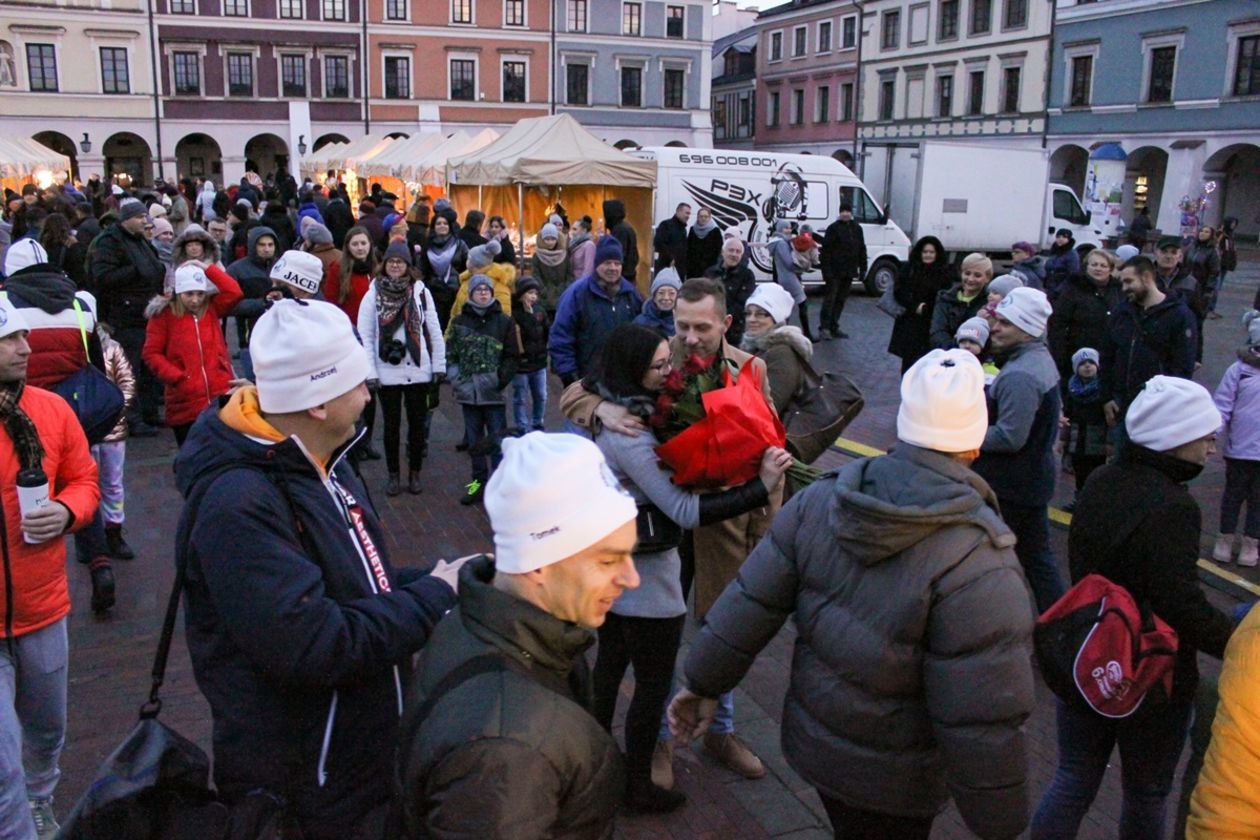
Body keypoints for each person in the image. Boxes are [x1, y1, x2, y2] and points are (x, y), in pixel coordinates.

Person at [669, 348, 1036, 839]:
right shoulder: (981, 558)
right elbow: (983, 714)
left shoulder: (823, 498)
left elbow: (751, 602)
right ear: (973, 444)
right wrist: (1001, 823)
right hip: (902, 778)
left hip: (818, 745)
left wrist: (702, 682)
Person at [174, 298, 462, 839]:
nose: (369, 389)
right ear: (316, 403)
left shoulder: (325, 460)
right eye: (356, 380)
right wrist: (431, 599)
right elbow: (315, 643)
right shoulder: (238, 503)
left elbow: (359, 587)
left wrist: (440, 578)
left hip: (354, 764)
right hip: (309, 788)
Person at [561, 277, 779, 786]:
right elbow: (575, 391)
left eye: (702, 327)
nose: (691, 336)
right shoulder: (658, 356)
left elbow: (768, 446)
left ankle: (721, 731)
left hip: (722, 526)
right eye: (682, 324)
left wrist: (763, 526)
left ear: (726, 323)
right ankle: (657, 742)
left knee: (721, 633)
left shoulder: (751, 368)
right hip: (659, 533)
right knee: (652, 641)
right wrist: (601, 408)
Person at [396, 432, 637, 838]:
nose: (632, 578)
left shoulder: (479, 619)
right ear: (537, 565)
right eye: (608, 560)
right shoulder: (505, 752)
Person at [1031, 375, 1235, 838]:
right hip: (1150, 677)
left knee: (1073, 777)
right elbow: (1180, 602)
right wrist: (1237, 641)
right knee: (1146, 794)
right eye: (1204, 435)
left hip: (1088, 656)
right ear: (1174, 439)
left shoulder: (1102, 479)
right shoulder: (1174, 507)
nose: (1211, 446)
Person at [0, 296, 101, 840]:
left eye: (22, 336)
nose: (25, 346)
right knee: (2, 761)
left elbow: (84, 480)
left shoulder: (51, 409)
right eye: (10, 340)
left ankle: (40, 800)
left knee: (45, 732)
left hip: (42, 606)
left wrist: (67, 511)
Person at [971, 287, 1064, 613]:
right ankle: (1060, 623)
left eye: (1006, 324)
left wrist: (963, 435)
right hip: (1029, 481)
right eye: (997, 320)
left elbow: (1010, 437)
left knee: (998, 560)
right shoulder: (1034, 360)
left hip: (1011, 487)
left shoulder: (1020, 375)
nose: (995, 328)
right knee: (1038, 559)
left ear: (1028, 330)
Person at [357, 240, 445, 497]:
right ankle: (393, 475)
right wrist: (370, 372)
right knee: (391, 427)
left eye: (401, 262)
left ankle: (414, 473)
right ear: (384, 265)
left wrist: (438, 366)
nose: (396, 266)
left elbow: (434, 331)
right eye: (392, 261)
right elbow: (366, 335)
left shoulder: (420, 292)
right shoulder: (372, 293)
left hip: (419, 369)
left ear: (408, 265)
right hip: (387, 371)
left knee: (417, 426)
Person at [142, 262, 244, 447]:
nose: (195, 300)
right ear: (178, 293)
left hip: (218, 394)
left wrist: (205, 267)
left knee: (221, 453)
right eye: (189, 294)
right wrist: (178, 377)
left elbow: (234, 291)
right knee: (191, 454)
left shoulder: (211, 308)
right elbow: (152, 353)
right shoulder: (164, 315)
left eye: (200, 293)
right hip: (185, 399)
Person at [89, 197, 166, 435]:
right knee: (129, 368)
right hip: (125, 315)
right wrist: (136, 271)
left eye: (146, 216)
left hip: (146, 312)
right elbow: (101, 277)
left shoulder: (140, 241)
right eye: (140, 217)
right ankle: (131, 418)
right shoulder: (110, 242)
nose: (146, 221)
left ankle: (150, 412)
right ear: (127, 220)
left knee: (148, 367)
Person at [1101, 255, 1198, 428]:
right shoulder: (1121, 313)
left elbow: (1183, 366)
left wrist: (1167, 404)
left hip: (1157, 407)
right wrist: (1106, 396)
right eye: (1122, 282)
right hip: (1121, 404)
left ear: (1146, 278)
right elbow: (1107, 355)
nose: (1124, 288)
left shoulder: (1179, 315)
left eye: (1129, 281)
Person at [448, 274, 520, 506]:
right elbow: (452, 354)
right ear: (470, 294)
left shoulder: (504, 322)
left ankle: (500, 488)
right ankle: (476, 486)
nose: (482, 293)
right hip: (468, 394)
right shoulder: (460, 322)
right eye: (478, 290)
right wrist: (456, 379)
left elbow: (511, 356)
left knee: (498, 442)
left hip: (494, 394)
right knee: (475, 444)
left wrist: (500, 380)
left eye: (486, 290)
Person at [549, 235, 644, 386]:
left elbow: (643, 333)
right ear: (597, 263)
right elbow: (561, 336)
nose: (613, 268)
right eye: (607, 263)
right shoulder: (576, 294)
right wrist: (569, 376)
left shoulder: (631, 294)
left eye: (617, 263)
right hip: (586, 380)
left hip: (623, 381)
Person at [1211, 310, 1260, 567]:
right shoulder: (1239, 370)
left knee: (1258, 500)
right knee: (1233, 495)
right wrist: (1213, 433)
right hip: (1240, 448)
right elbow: (1223, 404)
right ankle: (1225, 537)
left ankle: (1252, 542)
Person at [93, 322, 135, 561]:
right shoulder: (73, 350)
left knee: (112, 483)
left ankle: (114, 532)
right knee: (86, 483)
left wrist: (115, 412)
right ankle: (88, 536)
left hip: (113, 431)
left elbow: (127, 381)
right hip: (85, 432)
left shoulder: (112, 348)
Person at [1049, 248, 1122, 384]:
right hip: (1077, 353)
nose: (1098, 269)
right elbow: (1058, 323)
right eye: (1094, 265)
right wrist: (1059, 355)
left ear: (1110, 269)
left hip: (1108, 354)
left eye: (1103, 265)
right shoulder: (1072, 288)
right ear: (1086, 267)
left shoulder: (1118, 290)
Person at [740, 282, 812, 416]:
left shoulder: (782, 353)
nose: (751, 319)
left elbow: (767, 408)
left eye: (760, 314)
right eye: (748, 313)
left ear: (775, 318)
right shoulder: (755, 346)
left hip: (769, 433)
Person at [888, 235, 954, 374]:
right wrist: (914, 306)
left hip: (932, 322)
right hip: (910, 321)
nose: (928, 255)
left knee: (928, 362)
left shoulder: (943, 272)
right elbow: (899, 291)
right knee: (909, 362)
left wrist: (928, 308)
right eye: (925, 252)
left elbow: (945, 296)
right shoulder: (909, 269)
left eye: (931, 252)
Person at [1062, 347, 1107, 509]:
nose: (1087, 366)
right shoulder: (1072, 389)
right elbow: (1067, 416)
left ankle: (1095, 502)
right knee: (1080, 472)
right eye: (1082, 363)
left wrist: (1110, 442)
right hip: (1077, 438)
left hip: (1097, 439)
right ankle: (1080, 500)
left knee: (1096, 473)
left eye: (1091, 363)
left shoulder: (1103, 390)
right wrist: (1063, 439)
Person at [818, 203, 867, 340]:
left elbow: (862, 248)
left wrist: (863, 268)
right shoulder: (833, 229)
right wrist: (826, 271)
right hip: (834, 271)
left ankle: (834, 326)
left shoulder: (857, 228)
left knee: (841, 300)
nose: (845, 213)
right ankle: (825, 327)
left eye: (847, 211)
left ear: (851, 213)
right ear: (840, 213)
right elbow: (826, 252)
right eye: (843, 211)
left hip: (849, 271)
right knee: (830, 299)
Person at [446, 239, 515, 334]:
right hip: (463, 339)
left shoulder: (499, 286)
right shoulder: (466, 282)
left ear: (475, 264)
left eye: (469, 259)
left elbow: (504, 321)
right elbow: (455, 314)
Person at [929, 252, 992, 350]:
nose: (971, 279)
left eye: (977, 275)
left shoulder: (989, 303)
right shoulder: (945, 298)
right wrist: (954, 349)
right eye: (967, 273)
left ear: (987, 278)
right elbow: (937, 331)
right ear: (961, 273)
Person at [510, 278, 548, 432]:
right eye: (529, 293)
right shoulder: (515, 313)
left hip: (539, 361)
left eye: (535, 293)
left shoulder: (540, 311)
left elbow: (545, 332)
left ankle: (537, 422)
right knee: (520, 397)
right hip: (521, 364)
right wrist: (528, 315)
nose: (533, 297)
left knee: (540, 395)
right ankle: (522, 426)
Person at [417, 214, 468, 330]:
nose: (442, 226)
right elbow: (421, 268)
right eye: (438, 223)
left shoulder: (459, 244)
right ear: (433, 227)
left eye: (445, 223)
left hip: (454, 291)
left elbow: (468, 265)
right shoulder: (427, 245)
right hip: (434, 292)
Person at [704, 237, 757, 348]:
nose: (734, 254)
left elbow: (742, 304)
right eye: (731, 250)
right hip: (710, 326)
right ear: (723, 252)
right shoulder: (710, 273)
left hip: (735, 331)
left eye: (738, 252)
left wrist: (721, 317)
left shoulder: (747, 276)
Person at [767, 219, 809, 341]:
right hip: (789, 278)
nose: (789, 230)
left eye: (790, 228)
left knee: (787, 306)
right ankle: (806, 334)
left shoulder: (779, 242)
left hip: (785, 278)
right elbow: (789, 263)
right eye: (786, 228)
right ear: (780, 229)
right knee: (802, 303)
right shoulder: (781, 243)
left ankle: (781, 333)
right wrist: (801, 265)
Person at [531, 221, 570, 315]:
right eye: (547, 239)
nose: (550, 242)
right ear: (542, 239)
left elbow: (569, 274)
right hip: (543, 297)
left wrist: (564, 289)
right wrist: (543, 290)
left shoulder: (564, 254)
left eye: (553, 239)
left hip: (561, 295)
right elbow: (535, 274)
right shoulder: (537, 256)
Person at [634, 267, 680, 337]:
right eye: (661, 293)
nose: (666, 298)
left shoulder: (683, 323)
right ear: (654, 297)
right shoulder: (640, 323)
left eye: (671, 293)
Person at [1208, 216, 1238, 319]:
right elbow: (1215, 245)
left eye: (1235, 223)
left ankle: (1211, 308)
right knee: (1215, 287)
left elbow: (1231, 250)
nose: (1233, 225)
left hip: (1226, 263)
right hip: (1219, 263)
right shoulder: (1221, 234)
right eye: (1232, 223)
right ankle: (1209, 308)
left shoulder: (1231, 235)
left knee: (1218, 287)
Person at [603, 199, 639, 283]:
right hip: (627, 275)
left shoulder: (619, 230)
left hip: (623, 276)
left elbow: (618, 254)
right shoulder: (625, 227)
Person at [685, 207, 722, 280]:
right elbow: (688, 248)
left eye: (706, 216)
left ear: (710, 217)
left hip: (710, 268)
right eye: (701, 216)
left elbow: (718, 250)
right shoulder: (692, 229)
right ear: (697, 217)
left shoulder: (715, 231)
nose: (703, 218)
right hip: (693, 269)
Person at [654, 202, 690, 275]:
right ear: (678, 211)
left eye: (689, 214)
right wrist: (671, 258)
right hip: (666, 268)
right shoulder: (666, 225)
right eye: (687, 213)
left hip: (679, 270)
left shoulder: (683, 230)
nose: (688, 216)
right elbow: (658, 243)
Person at [1043, 228, 1080, 299]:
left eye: (1064, 237)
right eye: (1058, 237)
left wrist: (1059, 290)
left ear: (1069, 239)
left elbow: (1073, 274)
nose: (1061, 239)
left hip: (1061, 291)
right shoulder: (1054, 251)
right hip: (1050, 288)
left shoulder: (1072, 254)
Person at [567, 215, 596, 285]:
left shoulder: (589, 245)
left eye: (575, 229)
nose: (571, 232)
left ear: (584, 230)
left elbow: (588, 270)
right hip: (572, 284)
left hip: (581, 285)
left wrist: (581, 285)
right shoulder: (573, 244)